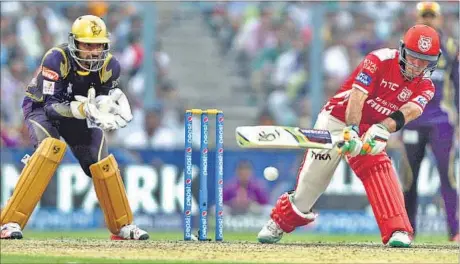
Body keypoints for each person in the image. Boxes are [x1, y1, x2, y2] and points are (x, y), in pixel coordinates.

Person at [257, 24, 441, 248]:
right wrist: (352, 130)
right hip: (337, 119)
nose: (418, 66)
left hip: (372, 127)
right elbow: (357, 96)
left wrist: (382, 130)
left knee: (379, 167)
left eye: (425, 61)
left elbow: (409, 111)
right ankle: (277, 222)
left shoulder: (427, 86)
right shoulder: (379, 59)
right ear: (403, 51)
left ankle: (398, 231)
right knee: (312, 184)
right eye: (413, 58)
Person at [1, 15, 149, 240]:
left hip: (79, 114)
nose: (93, 52)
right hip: (41, 108)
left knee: (101, 161)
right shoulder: (56, 58)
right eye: (87, 45)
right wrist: (81, 109)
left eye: (98, 45)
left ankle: (122, 226)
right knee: (49, 149)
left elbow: (99, 102)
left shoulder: (111, 67)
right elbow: (50, 108)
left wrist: (107, 106)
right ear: (74, 43)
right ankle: (8, 222)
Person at [400, 2, 459, 242]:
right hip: (412, 120)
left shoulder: (451, 47)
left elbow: (458, 84)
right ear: (416, 18)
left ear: (439, 19)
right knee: (409, 178)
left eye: (431, 17)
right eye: (423, 16)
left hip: (441, 121)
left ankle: (455, 231)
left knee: (448, 175)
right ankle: (406, 230)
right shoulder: (405, 46)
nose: (427, 21)